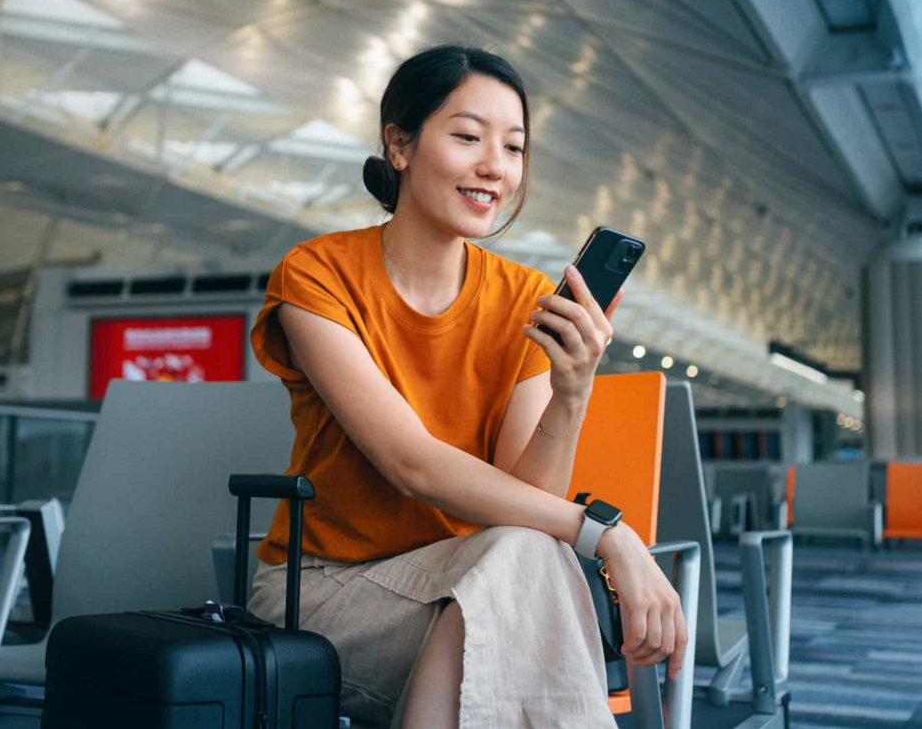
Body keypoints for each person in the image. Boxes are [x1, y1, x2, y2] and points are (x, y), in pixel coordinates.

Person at [248, 44, 686, 729]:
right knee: (525, 582)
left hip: (477, 577)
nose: (495, 167)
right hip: (326, 590)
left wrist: (572, 391)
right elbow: (411, 464)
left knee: (522, 562)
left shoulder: (523, 300)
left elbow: (525, 505)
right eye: (468, 137)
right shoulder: (317, 275)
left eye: (513, 147)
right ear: (399, 145)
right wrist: (607, 535)